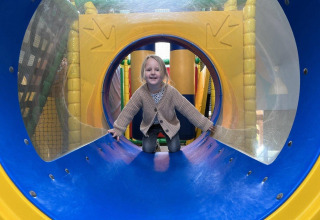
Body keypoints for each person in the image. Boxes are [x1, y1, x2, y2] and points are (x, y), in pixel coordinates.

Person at [108, 54, 216, 153]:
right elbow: (129, 110)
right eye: (149, 70)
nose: (153, 72)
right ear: (143, 74)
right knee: (147, 149)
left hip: (170, 124)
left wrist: (204, 123)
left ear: (164, 73)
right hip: (150, 126)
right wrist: (118, 129)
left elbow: (187, 108)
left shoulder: (171, 92)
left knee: (174, 148)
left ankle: (169, 144)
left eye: (157, 69)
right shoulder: (140, 93)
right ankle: (155, 145)